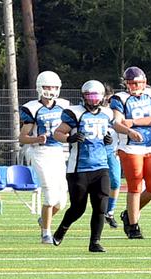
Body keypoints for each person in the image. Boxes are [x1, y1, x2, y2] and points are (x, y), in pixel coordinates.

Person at [52, 80, 119, 253]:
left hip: (101, 166)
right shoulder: (74, 113)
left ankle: (94, 242)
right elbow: (57, 133)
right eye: (90, 96)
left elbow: (109, 132)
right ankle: (61, 230)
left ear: (102, 97)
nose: (93, 100)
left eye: (96, 96)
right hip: (78, 168)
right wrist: (69, 139)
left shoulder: (107, 113)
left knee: (101, 207)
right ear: (83, 96)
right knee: (78, 208)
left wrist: (108, 141)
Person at [19, 70, 70, 244]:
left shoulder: (64, 105)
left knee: (61, 201)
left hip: (58, 151)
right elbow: (22, 138)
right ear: (40, 87)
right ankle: (46, 233)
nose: (51, 90)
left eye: (54, 87)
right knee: (49, 192)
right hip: (39, 151)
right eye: (47, 86)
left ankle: (44, 219)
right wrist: (37, 139)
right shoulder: (32, 108)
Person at [110, 66, 151, 239]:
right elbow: (117, 123)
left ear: (144, 82)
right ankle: (133, 226)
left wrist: (133, 122)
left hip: (150, 146)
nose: (134, 86)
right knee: (135, 186)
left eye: (137, 83)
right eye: (131, 83)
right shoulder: (120, 98)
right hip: (130, 146)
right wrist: (129, 131)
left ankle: (128, 213)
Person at [103, 84, 123, 229]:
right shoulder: (92, 111)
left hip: (111, 152)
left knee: (115, 181)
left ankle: (109, 212)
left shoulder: (117, 113)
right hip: (92, 153)